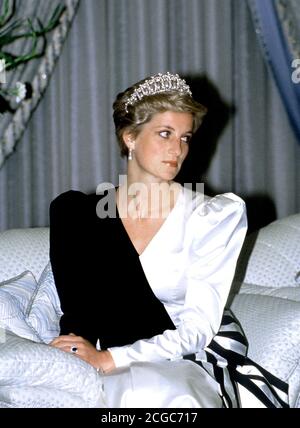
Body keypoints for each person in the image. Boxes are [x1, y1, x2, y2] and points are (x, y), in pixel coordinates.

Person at [48, 72, 286, 408]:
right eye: (165, 134)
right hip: (106, 355)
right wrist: (82, 354)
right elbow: (76, 310)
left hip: (186, 355)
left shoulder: (212, 216)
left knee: (160, 396)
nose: (178, 150)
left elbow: (199, 329)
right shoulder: (79, 214)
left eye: (186, 138)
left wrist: (111, 359)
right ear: (130, 137)